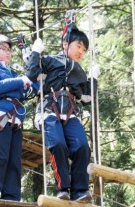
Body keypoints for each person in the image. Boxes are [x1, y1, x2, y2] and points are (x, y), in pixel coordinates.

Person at [26, 25, 100, 202]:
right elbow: (31, 75)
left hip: (71, 112)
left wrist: (93, 79)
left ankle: (80, 190)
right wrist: (35, 53)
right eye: (78, 46)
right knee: (58, 144)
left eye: (84, 49)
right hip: (49, 109)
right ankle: (63, 188)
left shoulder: (80, 72)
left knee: (82, 146)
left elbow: (87, 99)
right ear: (65, 44)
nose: (81, 51)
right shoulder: (50, 61)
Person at [0, 34, 37, 201]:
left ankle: (12, 197)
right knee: (0, 157)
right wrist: (21, 81)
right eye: (3, 49)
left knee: (14, 161)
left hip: (16, 119)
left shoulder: (11, 72)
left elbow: (32, 90)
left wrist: (33, 68)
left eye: (9, 50)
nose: (8, 52)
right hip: (1, 116)